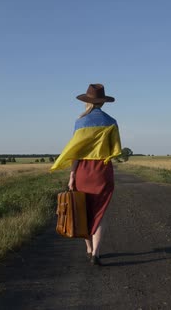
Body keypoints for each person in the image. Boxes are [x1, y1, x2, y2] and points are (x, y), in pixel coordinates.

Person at [50, 84, 122, 266]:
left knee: (82, 210)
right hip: (102, 171)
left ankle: (89, 249)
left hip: (83, 171)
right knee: (100, 213)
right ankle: (96, 254)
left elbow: (76, 151)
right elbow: (115, 150)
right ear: (103, 103)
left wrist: (72, 175)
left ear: (87, 102)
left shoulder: (80, 122)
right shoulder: (112, 122)